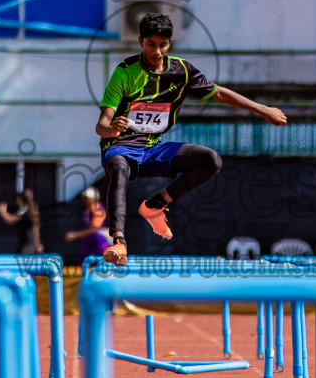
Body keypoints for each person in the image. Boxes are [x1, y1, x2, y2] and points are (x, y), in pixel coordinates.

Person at [96, 13, 287, 265]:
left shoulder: (181, 71)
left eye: (162, 44)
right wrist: (112, 130)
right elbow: (101, 125)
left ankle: (156, 204)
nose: (156, 51)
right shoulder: (125, 73)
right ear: (141, 41)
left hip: (153, 148)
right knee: (119, 166)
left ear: (170, 43)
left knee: (211, 160)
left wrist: (262, 109)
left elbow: (219, 94)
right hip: (120, 147)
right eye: (150, 44)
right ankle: (119, 243)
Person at [65, 186, 111, 262]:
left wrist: (75, 235)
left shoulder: (98, 211)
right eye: (85, 198)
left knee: (100, 262)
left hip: (99, 241)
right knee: (84, 260)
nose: (85, 200)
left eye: (88, 198)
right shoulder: (87, 210)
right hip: (89, 241)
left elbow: (94, 229)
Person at [0, 189, 43, 253]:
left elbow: (9, 220)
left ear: (20, 199)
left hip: (28, 246)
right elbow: (36, 230)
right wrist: (38, 243)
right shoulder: (33, 209)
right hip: (32, 245)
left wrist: (3, 212)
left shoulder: (25, 209)